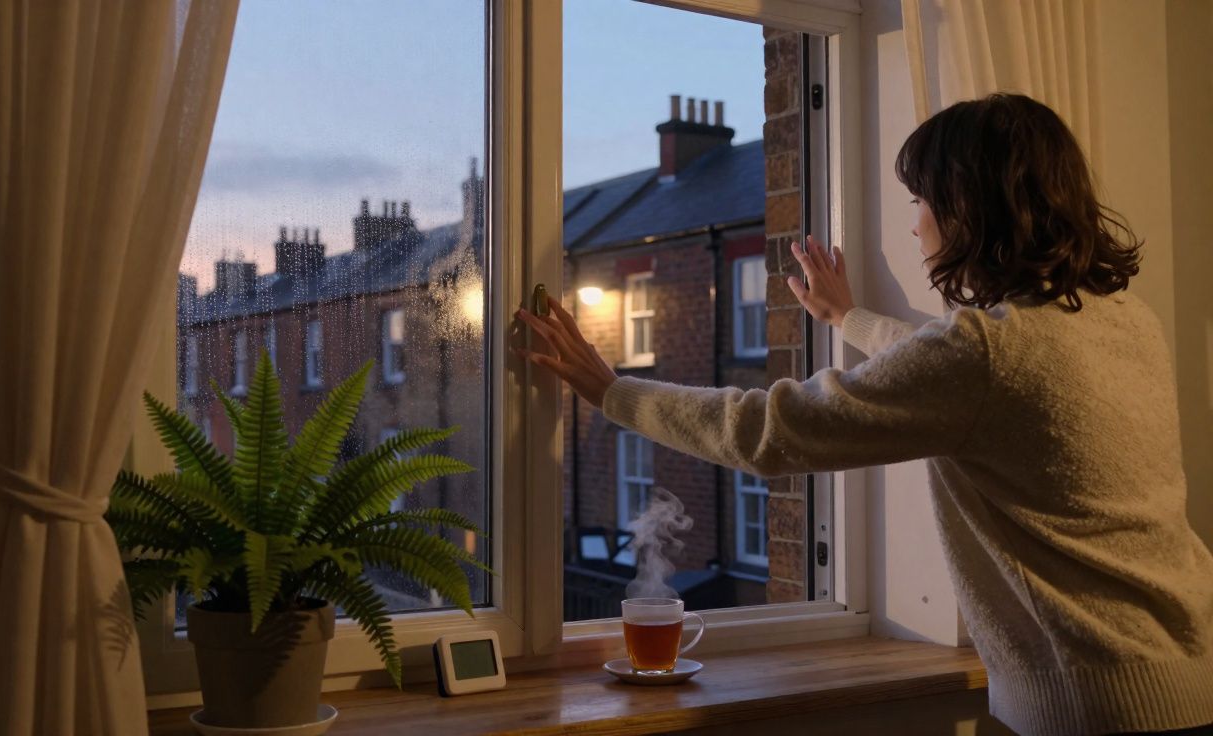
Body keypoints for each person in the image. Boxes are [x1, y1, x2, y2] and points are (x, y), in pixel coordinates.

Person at [512, 93, 1213, 736]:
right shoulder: (1121, 319)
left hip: (1098, 709)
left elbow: (766, 431)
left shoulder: (985, 351)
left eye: (921, 200)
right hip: (1193, 674)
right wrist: (849, 318)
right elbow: (978, 383)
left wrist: (612, 390)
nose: (915, 226)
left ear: (968, 204)